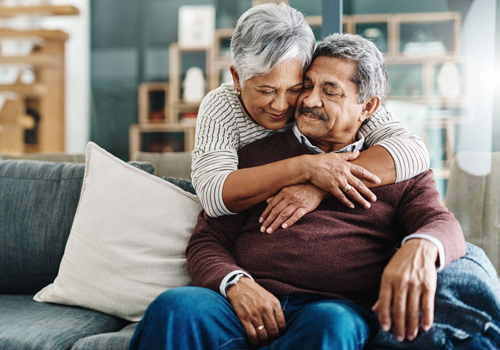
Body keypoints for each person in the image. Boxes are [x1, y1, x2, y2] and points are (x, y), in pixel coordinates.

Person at [130, 33, 466, 350]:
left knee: (331, 324)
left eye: (330, 91)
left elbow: (444, 224)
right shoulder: (257, 156)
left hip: (331, 309)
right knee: (176, 307)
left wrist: (421, 246)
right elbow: (207, 240)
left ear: (367, 107)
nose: (309, 100)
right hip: (243, 306)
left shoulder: (399, 168)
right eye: (307, 85)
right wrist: (235, 283)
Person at [192, 3, 430, 234]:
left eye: (296, 88)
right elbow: (213, 195)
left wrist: (318, 185)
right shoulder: (222, 106)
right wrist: (306, 168)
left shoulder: (322, 101)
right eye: (267, 91)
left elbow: (413, 151)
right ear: (236, 78)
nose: (281, 105)